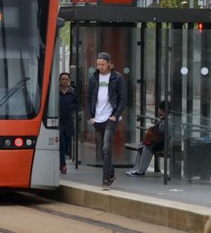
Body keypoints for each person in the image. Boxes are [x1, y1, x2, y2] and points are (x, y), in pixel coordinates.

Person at [87, 51, 126, 190]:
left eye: (102, 64)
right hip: (97, 118)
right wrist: (91, 116)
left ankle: (105, 179)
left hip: (110, 117)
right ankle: (112, 174)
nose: (100, 67)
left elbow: (122, 98)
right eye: (98, 64)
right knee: (102, 150)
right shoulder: (93, 78)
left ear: (109, 64)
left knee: (106, 147)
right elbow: (88, 97)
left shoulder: (117, 77)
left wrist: (115, 115)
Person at [127, 101, 167, 177]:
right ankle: (136, 168)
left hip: (162, 143)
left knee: (147, 147)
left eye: (160, 109)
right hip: (159, 141)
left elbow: (161, 130)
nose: (159, 111)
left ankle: (140, 171)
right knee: (141, 146)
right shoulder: (164, 119)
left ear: (162, 110)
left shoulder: (167, 120)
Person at [58, 72, 79, 175]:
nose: (65, 81)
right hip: (59, 122)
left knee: (67, 145)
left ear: (69, 81)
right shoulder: (56, 92)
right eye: (63, 79)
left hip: (69, 121)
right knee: (61, 144)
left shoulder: (73, 92)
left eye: (66, 79)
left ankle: (62, 162)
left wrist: (71, 108)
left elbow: (77, 104)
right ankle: (63, 165)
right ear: (59, 81)